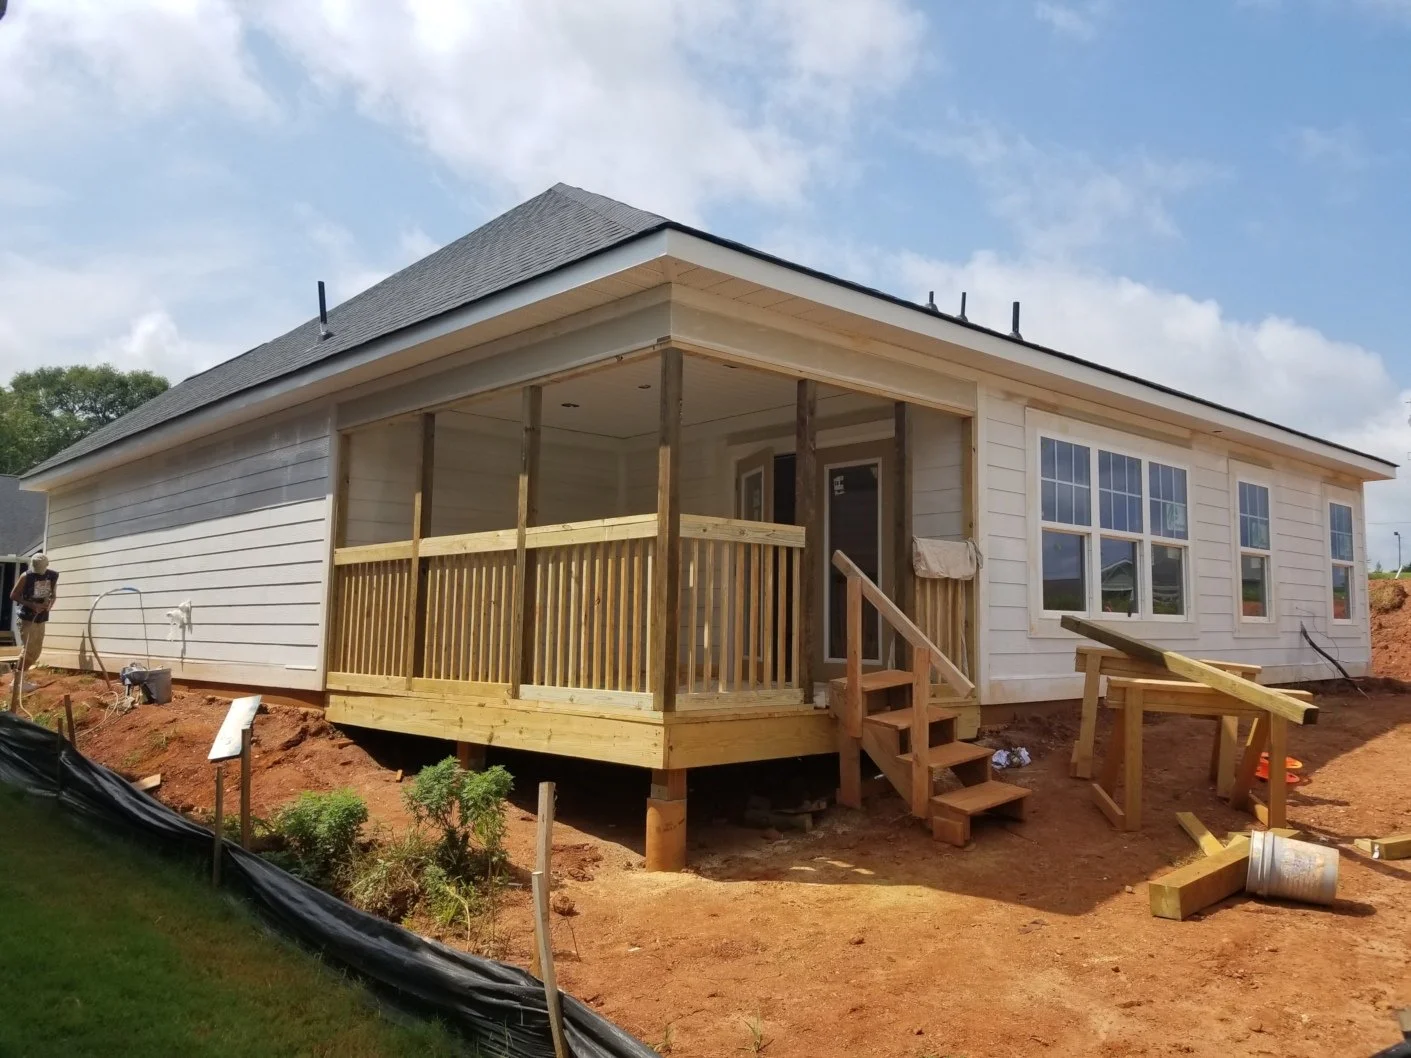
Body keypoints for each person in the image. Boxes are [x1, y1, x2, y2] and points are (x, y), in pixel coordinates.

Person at [8, 552, 57, 709]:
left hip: (41, 618)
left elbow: (53, 595)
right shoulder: (26, 576)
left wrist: (49, 604)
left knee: (36, 651)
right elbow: (14, 595)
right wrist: (31, 605)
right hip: (27, 618)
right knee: (28, 649)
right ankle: (16, 682)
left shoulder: (52, 576)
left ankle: (22, 679)